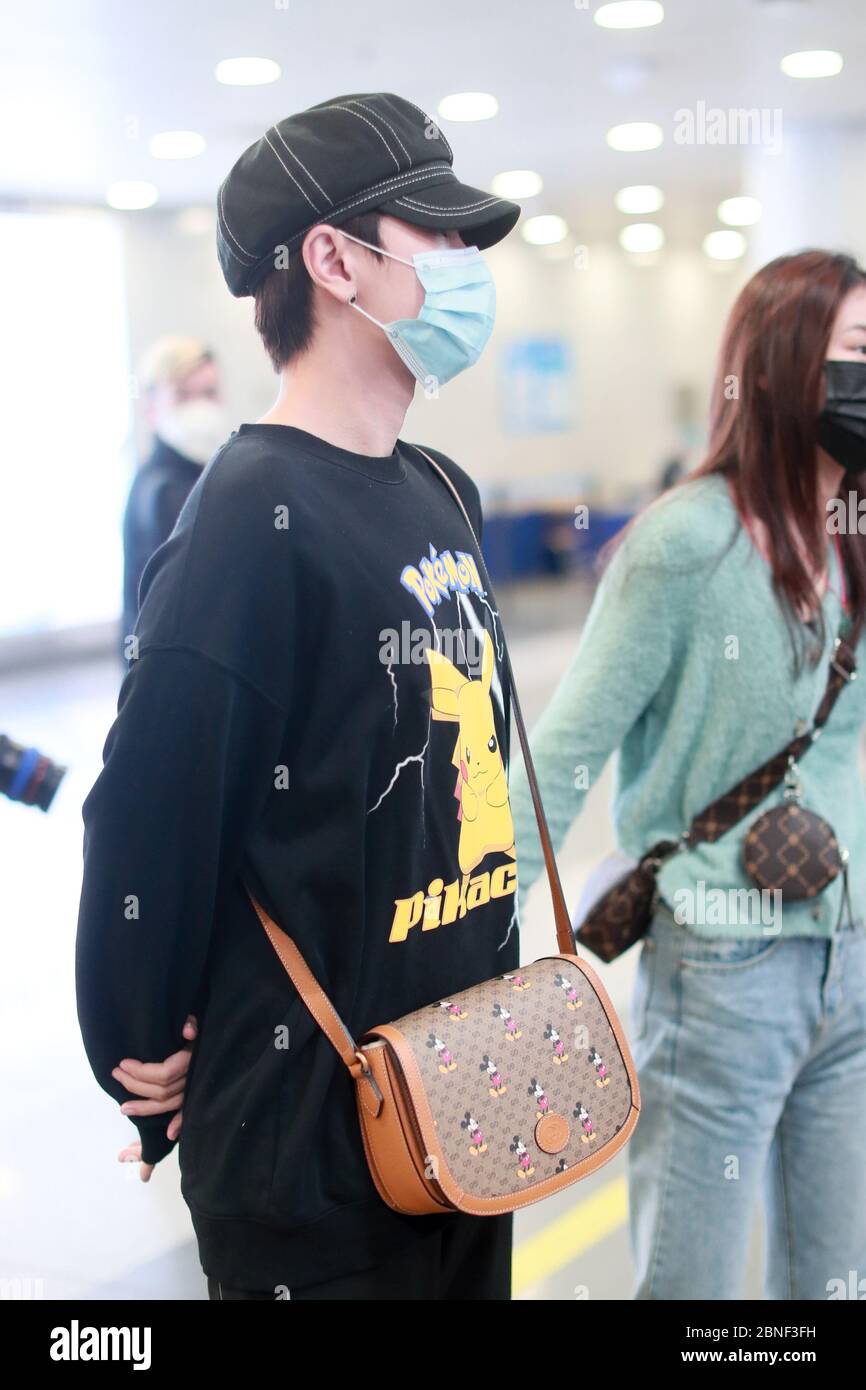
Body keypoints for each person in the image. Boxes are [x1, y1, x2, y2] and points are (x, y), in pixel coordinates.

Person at [76, 93, 522, 1301]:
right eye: (437, 235)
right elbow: (147, 817)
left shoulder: (440, 487)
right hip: (316, 1145)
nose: (467, 266)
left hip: (464, 1095)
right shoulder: (246, 516)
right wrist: (138, 1036)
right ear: (332, 259)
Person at [509, 249, 866, 1300]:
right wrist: (473, 943)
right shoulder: (684, 543)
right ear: (781, 367)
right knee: (690, 1282)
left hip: (846, 955)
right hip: (723, 962)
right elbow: (561, 755)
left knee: (834, 1276)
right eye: (855, 352)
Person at [121, 336, 228, 649]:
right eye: (183, 396)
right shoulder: (163, 490)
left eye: (208, 393)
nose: (199, 408)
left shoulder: (193, 474)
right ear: (151, 409)